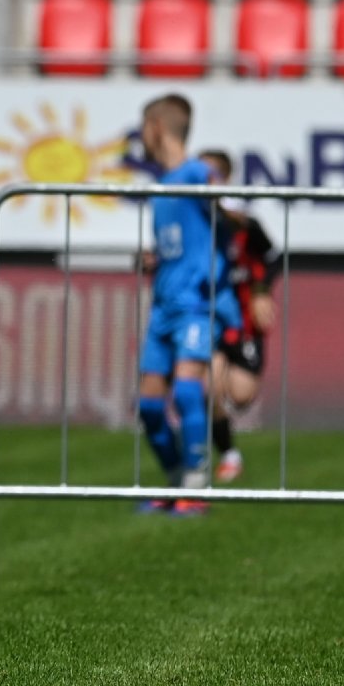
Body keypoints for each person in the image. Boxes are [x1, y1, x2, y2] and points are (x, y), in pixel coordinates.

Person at [135, 95, 239, 515]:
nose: (141, 136)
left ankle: (197, 485)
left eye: (143, 127)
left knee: (187, 389)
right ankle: (177, 479)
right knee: (149, 407)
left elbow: (229, 208)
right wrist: (154, 259)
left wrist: (226, 207)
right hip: (163, 306)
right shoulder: (161, 186)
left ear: (156, 128)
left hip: (196, 303)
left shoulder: (197, 172)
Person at [198, 150, 280, 483]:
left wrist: (261, 291)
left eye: (211, 173)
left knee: (242, 396)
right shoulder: (192, 216)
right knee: (207, 388)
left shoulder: (243, 219)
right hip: (210, 317)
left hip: (244, 321)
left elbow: (271, 256)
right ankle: (228, 454)